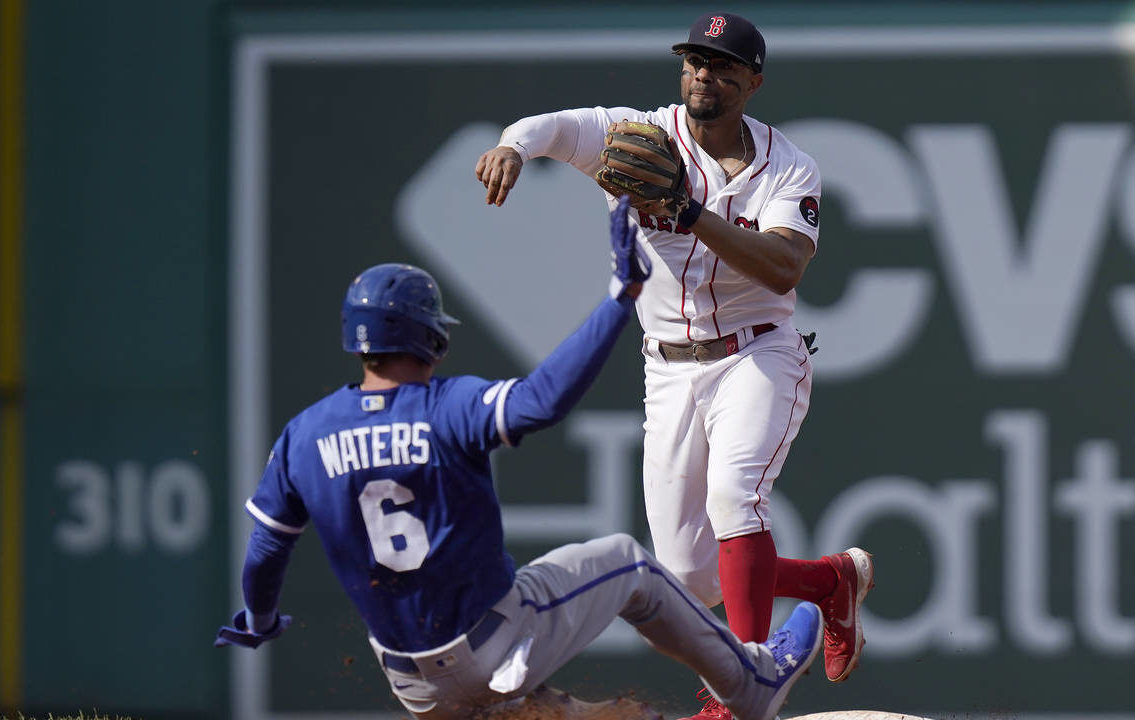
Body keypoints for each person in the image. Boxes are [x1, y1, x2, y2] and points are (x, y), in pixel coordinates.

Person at [214, 197, 823, 720]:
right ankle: (753, 682)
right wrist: (620, 298)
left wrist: (261, 619)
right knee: (628, 565)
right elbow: (541, 401)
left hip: (412, 687)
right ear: (430, 336)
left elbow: (267, 549)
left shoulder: (304, 435)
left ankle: (542, 710)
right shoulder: (444, 406)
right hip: (491, 645)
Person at [474, 11, 875, 720]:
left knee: (734, 498)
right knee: (691, 578)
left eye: (722, 67)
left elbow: (783, 270)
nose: (703, 76)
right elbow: (554, 129)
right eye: (694, 61)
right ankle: (830, 583)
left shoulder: (789, 167)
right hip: (667, 367)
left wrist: (688, 211)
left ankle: (743, 688)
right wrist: (512, 145)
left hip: (759, 352)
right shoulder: (640, 134)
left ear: (752, 81)